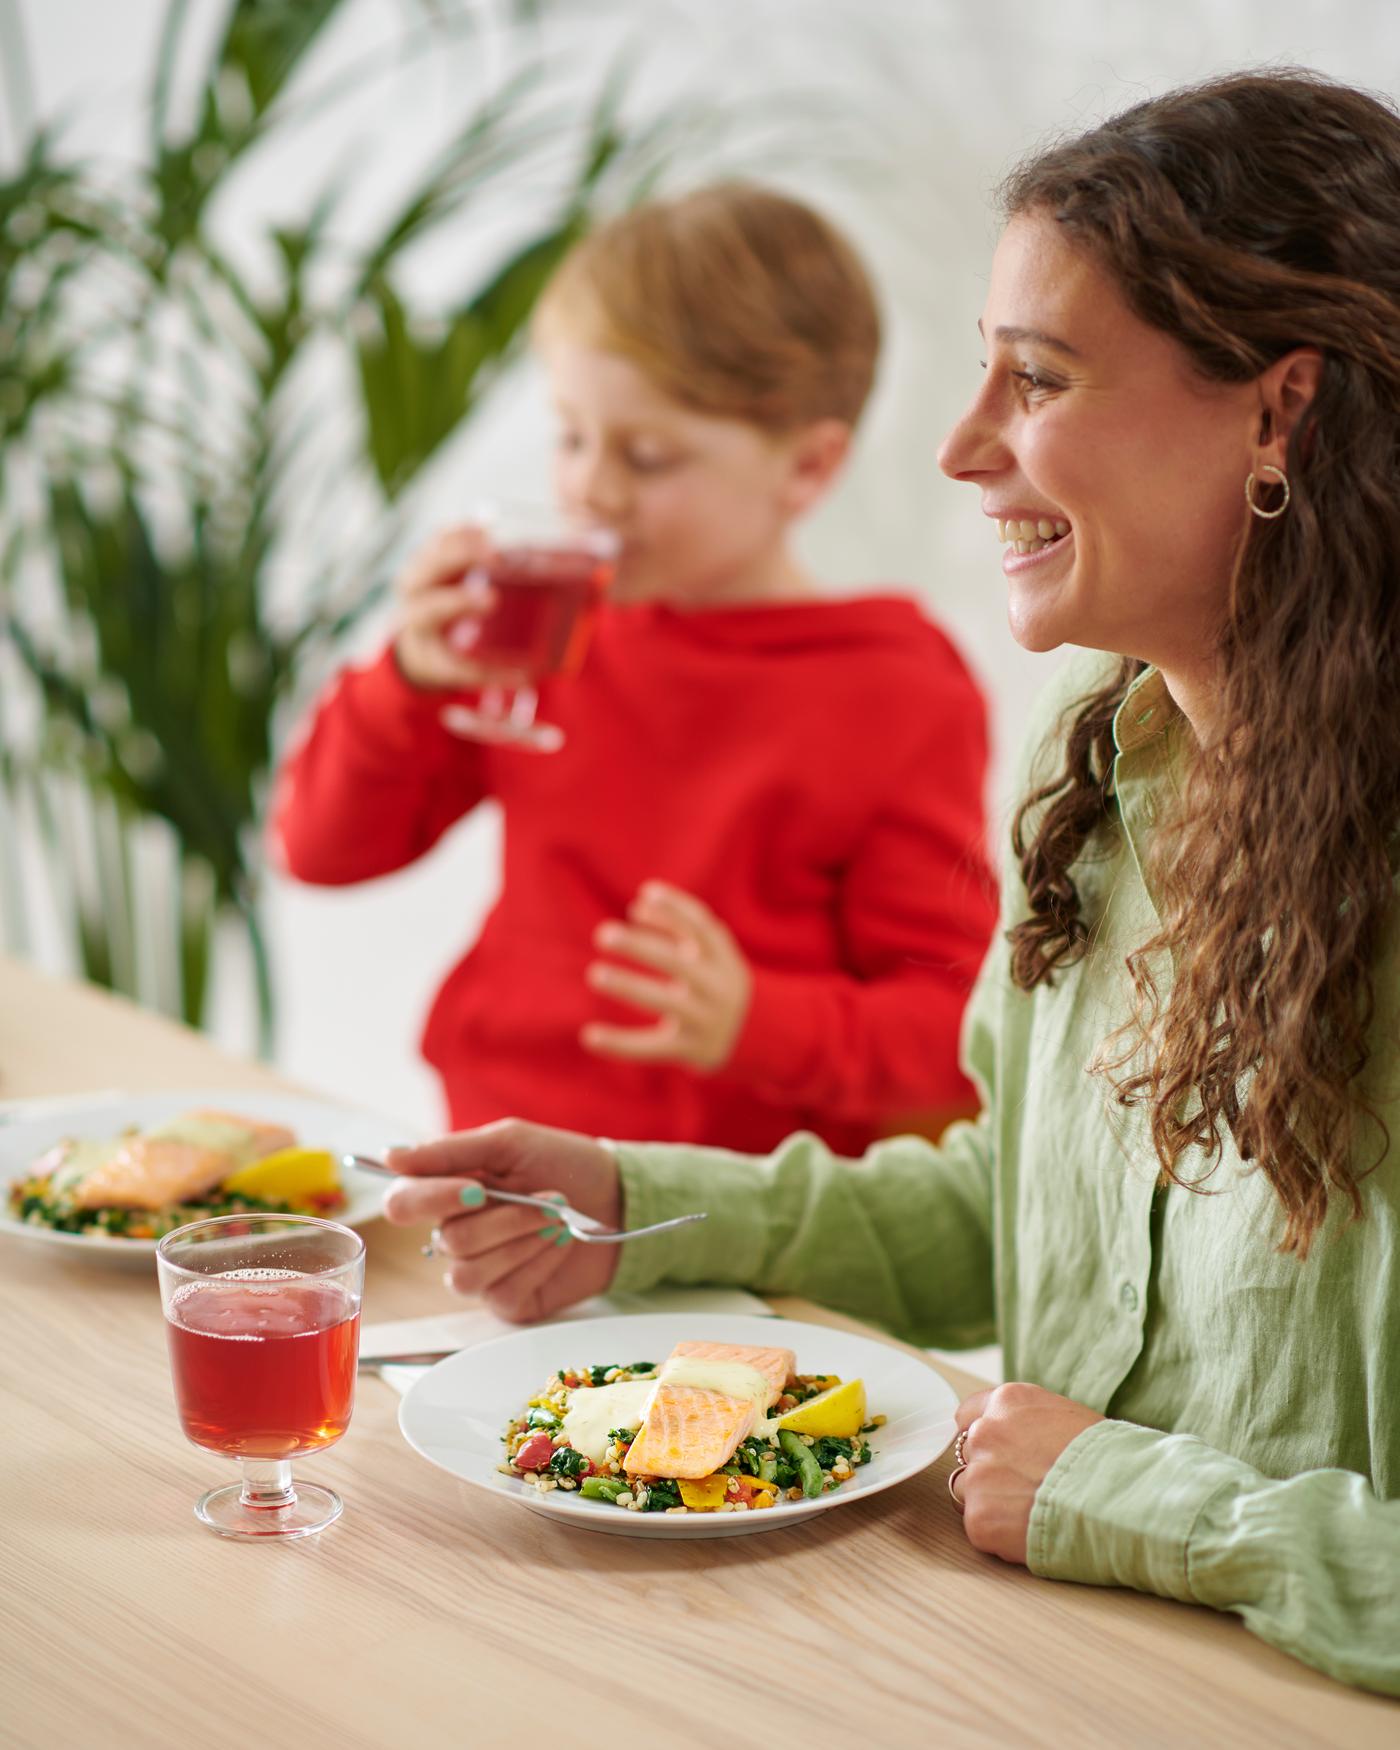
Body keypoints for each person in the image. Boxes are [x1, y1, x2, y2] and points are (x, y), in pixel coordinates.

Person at [379, 71, 1400, 1695]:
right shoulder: (1095, 757)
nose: (961, 445)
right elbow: (1009, 1213)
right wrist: (629, 1209)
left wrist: (1136, 1500)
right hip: (1026, 1664)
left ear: (1281, 413)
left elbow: (1131, 1489)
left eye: (1039, 379)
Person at [275, 184, 995, 1156]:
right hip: (498, 1171)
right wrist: (405, 677)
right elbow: (320, 848)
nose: (590, 489)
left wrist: (756, 1022)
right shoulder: (550, 629)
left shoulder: (895, 692)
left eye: (649, 457)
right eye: (570, 435)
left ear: (807, 469)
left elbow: (958, 1048)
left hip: (733, 1226)